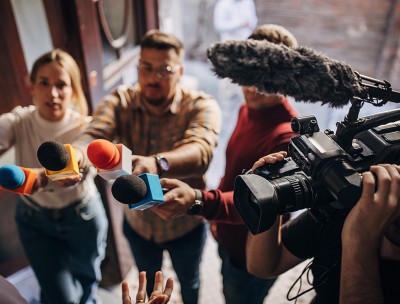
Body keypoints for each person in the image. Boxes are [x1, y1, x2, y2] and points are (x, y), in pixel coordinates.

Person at [152, 24, 299, 304]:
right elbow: (237, 173)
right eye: (250, 74)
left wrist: (199, 201)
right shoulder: (251, 107)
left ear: (287, 78)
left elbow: (260, 200)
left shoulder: (287, 136)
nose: (253, 87)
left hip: (252, 253)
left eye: (267, 77)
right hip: (227, 233)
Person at [73, 29, 221, 304]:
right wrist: (77, 157)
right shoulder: (121, 101)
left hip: (184, 224)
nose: (153, 78)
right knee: (148, 284)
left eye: (164, 70)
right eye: (146, 67)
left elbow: (202, 151)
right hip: (138, 225)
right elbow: (95, 133)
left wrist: (157, 163)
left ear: (180, 70)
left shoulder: (201, 105)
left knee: (189, 282)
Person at [0, 49, 109, 304]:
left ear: (73, 89)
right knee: (61, 297)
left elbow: (89, 163)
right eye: (44, 83)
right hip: (34, 218)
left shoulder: (87, 126)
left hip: (83, 216)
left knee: (87, 282)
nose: (53, 93)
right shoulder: (20, 120)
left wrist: (44, 176)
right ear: (32, 87)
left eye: (61, 84)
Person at [245, 151, 400, 304]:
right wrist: (272, 198)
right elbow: (264, 266)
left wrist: (360, 239)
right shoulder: (345, 210)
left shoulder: (359, 223)